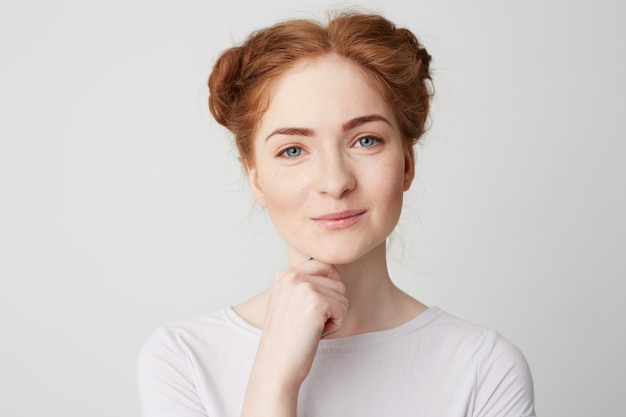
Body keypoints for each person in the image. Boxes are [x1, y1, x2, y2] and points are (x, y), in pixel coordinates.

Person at [137, 11, 536, 417]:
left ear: (407, 165)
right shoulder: (184, 359)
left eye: (366, 140)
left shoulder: (483, 368)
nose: (335, 181)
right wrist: (273, 376)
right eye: (293, 150)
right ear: (256, 179)